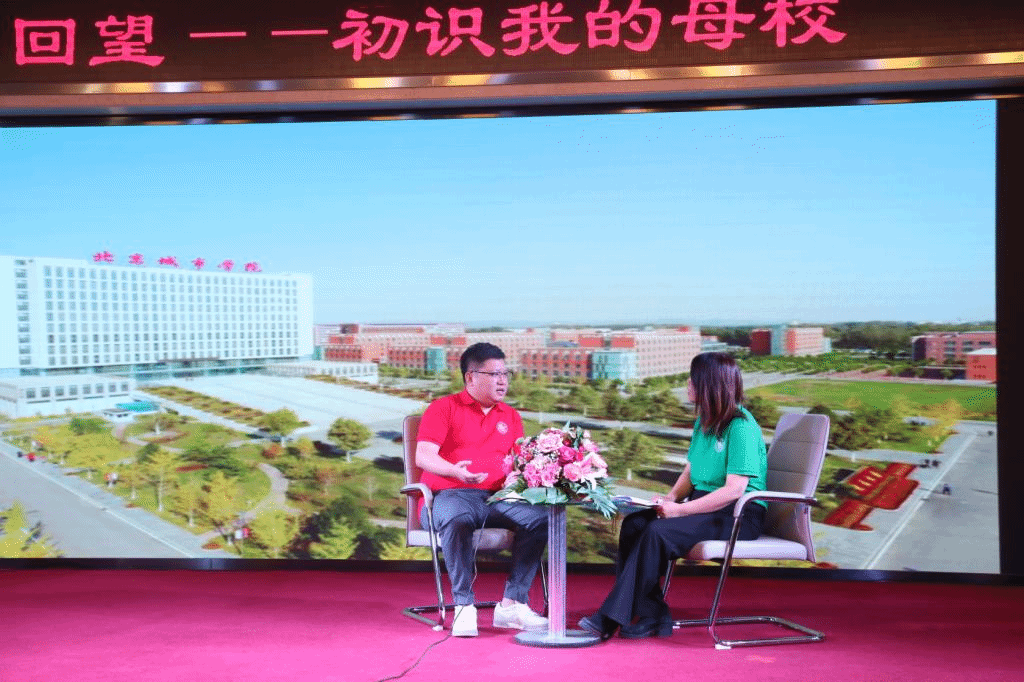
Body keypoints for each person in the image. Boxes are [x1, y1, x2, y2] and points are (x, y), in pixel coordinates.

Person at [580, 352, 768, 640]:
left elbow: (734, 491)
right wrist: (669, 500)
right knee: (635, 524)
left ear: (709, 385)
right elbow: (691, 472)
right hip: (705, 507)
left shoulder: (741, 426)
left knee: (658, 532)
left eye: (692, 379)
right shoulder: (704, 421)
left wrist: (680, 511)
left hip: (739, 515)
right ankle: (652, 614)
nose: (688, 384)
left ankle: (610, 617)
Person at [415, 342, 549, 637]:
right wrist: (455, 471)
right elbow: (423, 456)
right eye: (494, 374)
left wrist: (520, 477)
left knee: (541, 518)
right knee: (458, 518)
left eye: (505, 374)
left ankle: (512, 604)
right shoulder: (443, 408)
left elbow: (517, 462)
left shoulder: (510, 416)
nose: (502, 381)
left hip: (498, 497)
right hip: (451, 494)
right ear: (470, 377)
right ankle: (464, 605)